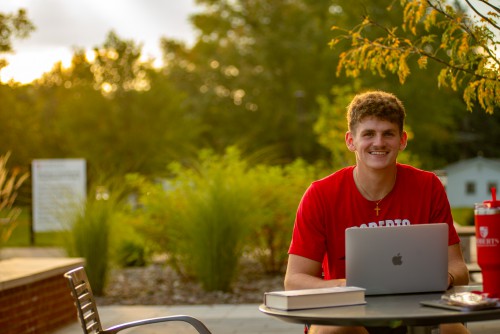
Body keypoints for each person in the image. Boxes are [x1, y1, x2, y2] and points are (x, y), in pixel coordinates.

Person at [284, 90, 470, 334]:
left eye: (388, 134)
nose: (379, 143)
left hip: (416, 313)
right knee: (337, 330)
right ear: (351, 141)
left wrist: (444, 278)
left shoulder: (428, 186)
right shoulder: (320, 194)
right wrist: (346, 286)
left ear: (402, 140)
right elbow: (294, 280)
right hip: (348, 314)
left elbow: (460, 269)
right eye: (369, 134)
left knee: (451, 329)